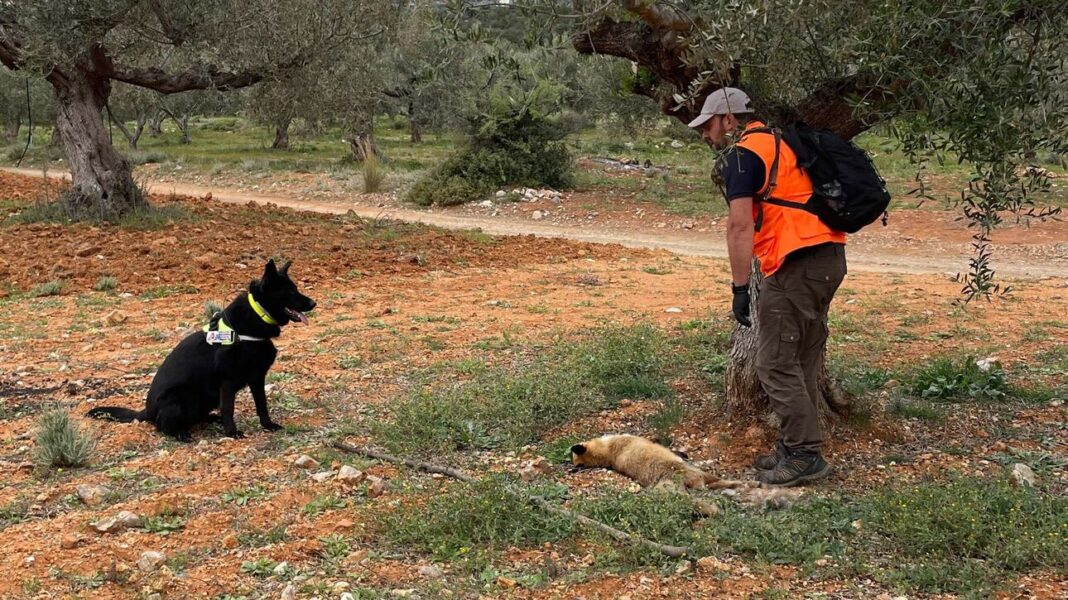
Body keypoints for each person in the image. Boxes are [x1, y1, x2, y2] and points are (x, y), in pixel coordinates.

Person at [688, 87, 847, 487]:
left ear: (728, 118)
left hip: (795, 264)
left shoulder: (743, 155)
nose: (707, 136)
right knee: (802, 361)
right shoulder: (781, 143)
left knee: (774, 363)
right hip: (829, 258)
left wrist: (740, 287)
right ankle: (795, 447)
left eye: (708, 125)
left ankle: (806, 455)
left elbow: (739, 225)